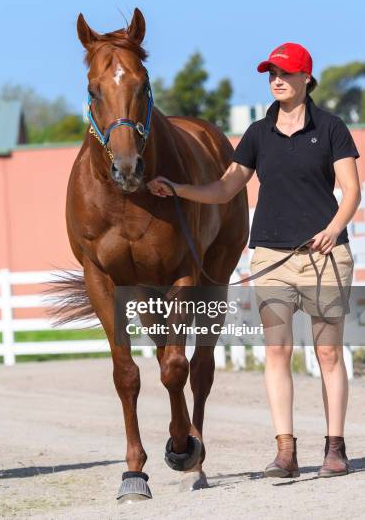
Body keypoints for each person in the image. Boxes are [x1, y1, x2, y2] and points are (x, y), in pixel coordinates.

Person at [146, 42, 361, 478]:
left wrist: (335, 227)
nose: (276, 80)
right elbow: (226, 188)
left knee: (328, 353)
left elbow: (352, 190)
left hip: (325, 256)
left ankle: (334, 449)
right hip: (271, 257)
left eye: (284, 73)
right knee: (277, 351)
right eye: (270, 74)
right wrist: (180, 189)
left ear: (306, 78)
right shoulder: (258, 135)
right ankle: (286, 451)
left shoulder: (333, 128)